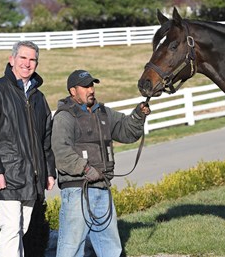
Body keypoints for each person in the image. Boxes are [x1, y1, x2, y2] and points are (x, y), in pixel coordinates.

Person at [51, 69, 151, 257]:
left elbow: (126, 131)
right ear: (73, 91)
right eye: (85, 86)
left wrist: (138, 115)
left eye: (92, 85)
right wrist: (86, 169)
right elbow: (61, 152)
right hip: (77, 190)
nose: (91, 90)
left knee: (110, 247)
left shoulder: (103, 113)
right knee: (71, 249)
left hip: (102, 188)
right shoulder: (64, 117)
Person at [0, 41, 56, 257]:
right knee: (10, 229)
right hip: (7, 175)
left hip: (32, 175)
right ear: (12, 60)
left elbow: (46, 138)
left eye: (32, 59)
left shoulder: (38, 97)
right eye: (23, 58)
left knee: (22, 228)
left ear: (36, 64)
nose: (27, 64)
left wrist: (49, 172)